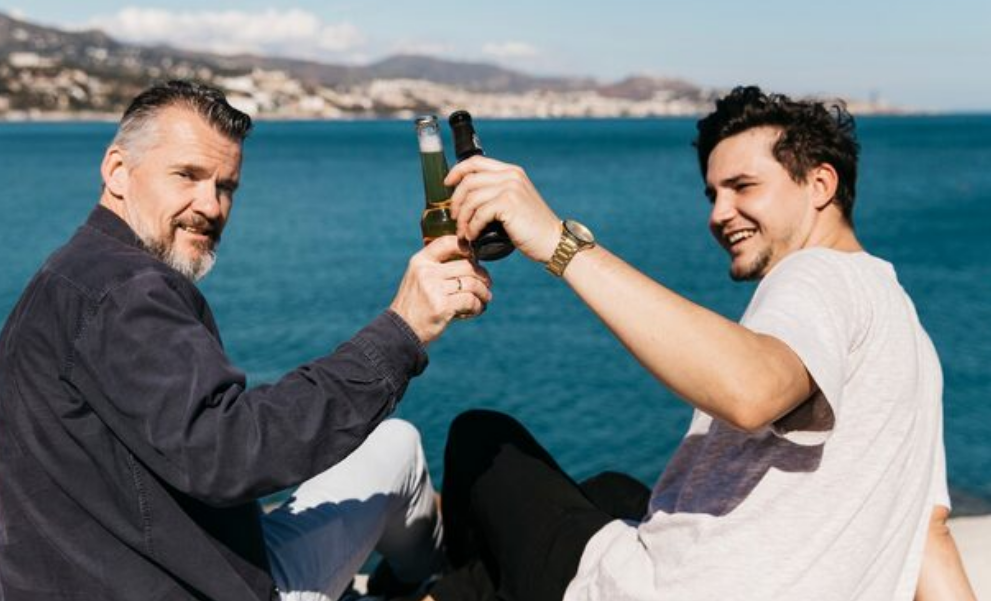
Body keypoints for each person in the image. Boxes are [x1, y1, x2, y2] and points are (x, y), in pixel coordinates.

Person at [424, 86, 975, 600]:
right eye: (714, 194)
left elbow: (752, 388)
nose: (718, 214)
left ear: (820, 185)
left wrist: (556, 243)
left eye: (743, 187)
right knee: (615, 491)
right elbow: (929, 530)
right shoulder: (905, 327)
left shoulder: (818, 275)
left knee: (481, 439)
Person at [0, 80, 492, 601]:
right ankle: (437, 586)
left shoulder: (68, 274)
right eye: (187, 176)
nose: (210, 206)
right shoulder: (129, 291)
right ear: (118, 172)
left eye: (226, 186)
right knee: (401, 448)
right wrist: (404, 329)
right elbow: (229, 454)